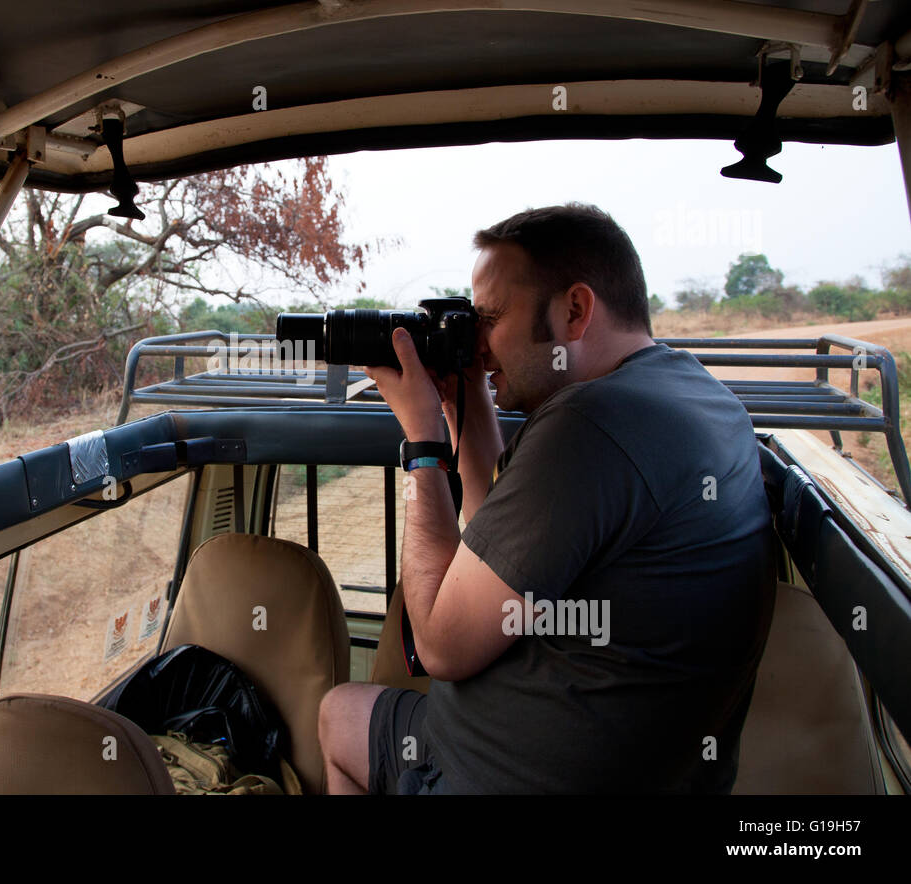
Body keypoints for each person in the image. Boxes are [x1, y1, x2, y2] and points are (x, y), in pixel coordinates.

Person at [318, 203, 777, 794]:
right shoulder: (693, 396)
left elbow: (439, 647)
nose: (478, 343)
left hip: (501, 774)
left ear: (575, 310)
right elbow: (493, 539)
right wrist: (464, 400)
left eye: (489, 318)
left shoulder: (588, 426)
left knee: (337, 715)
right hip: (614, 762)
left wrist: (423, 445)